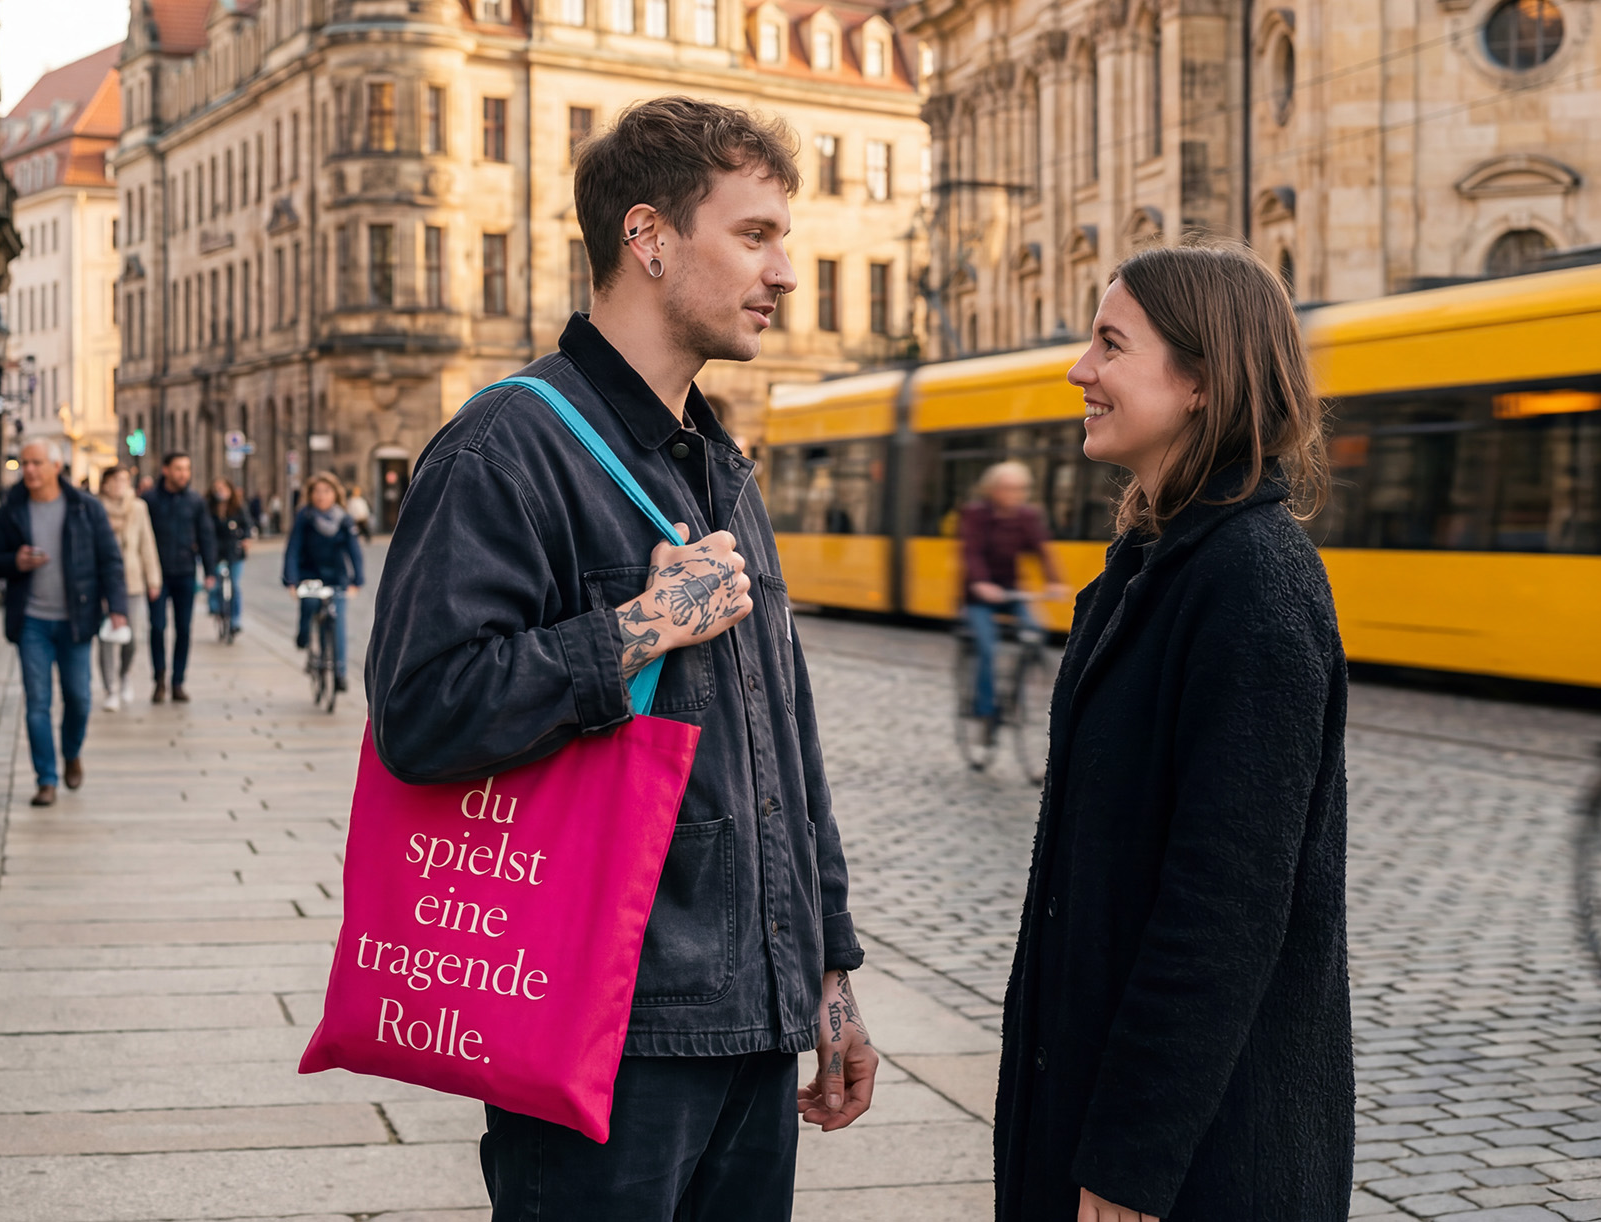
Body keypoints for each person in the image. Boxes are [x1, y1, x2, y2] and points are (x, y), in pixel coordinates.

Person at [366, 96, 875, 1221]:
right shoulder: (506, 447)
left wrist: (826, 975)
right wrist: (635, 629)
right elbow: (421, 713)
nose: (784, 271)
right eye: (754, 236)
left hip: (751, 1022)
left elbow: (783, 742)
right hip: (607, 1032)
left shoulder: (716, 463)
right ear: (646, 238)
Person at [995, 245, 1352, 1222]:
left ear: (1199, 381)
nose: (1079, 370)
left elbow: (1223, 911)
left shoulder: (1250, 584)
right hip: (1095, 1118)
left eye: (1110, 345)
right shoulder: (1148, 566)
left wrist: (1129, 1162)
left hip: (1194, 1163)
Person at [0, 439, 128, 807]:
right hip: (31, 619)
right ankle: (45, 778)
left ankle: (72, 752)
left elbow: (110, 559)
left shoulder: (84, 508)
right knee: (37, 702)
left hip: (76, 618)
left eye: (35, 463)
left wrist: (118, 606)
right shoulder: (11, 509)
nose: (28, 470)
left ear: (55, 467)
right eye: (24, 463)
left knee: (78, 698)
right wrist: (14, 561)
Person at [957, 461, 1068, 721]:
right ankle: (983, 706)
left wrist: (1054, 581)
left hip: (1011, 591)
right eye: (1008, 489)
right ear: (992, 490)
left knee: (1036, 632)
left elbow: (1042, 550)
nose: (1015, 495)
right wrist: (981, 583)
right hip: (978, 596)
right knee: (988, 647)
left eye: (1020, 489)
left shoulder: (1027, 516)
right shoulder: (976, 515)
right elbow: (970, 552)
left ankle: (1014, 693)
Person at [141, 452, 217, 702]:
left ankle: (178, 681)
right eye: (178, 469)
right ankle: (159, 677)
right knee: (158, 626)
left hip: (185, 572)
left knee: (184, 629)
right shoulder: (149, 500)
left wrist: (209, 571)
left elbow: (205, 535)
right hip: (157, 575)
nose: (183, 474)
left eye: (186, 469)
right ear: (166, 470)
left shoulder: (195, 501)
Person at [282, 472, 365, 690]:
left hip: (336, 576)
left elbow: (354, 551)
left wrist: (357, 580)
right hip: (309, 574)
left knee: (337, 621)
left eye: (326, 491)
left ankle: (340, 673)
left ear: (335, 494)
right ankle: (303, 634)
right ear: (310, 495)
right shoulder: (305, 517)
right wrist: (291, 580)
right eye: (317, 492)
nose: (321, 496)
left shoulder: (344, 519)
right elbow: (293, 549)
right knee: (309, 604)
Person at [97, 465, 161, 711]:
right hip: (103, 582)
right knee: (105, 637)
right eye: (115, 480)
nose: (120, 485)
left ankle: (124, 675)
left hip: (132, 581)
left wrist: (153, 579)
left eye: (124, 480)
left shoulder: (138, 508)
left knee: (131, 637)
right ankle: (110, 688)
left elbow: (147, 543)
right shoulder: (96, 508)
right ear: (105, 484)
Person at [207, 478, 250, 636]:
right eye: (217, 488)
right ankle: (215, 608)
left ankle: (236, 620)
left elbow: (247, 525)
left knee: (235, 586)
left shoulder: (238, 507)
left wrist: (246, 539)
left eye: (223, 488)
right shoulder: (209, 508)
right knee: (215, 583)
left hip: (234, 551)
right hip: (215, 551)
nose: (220, 491)